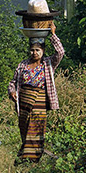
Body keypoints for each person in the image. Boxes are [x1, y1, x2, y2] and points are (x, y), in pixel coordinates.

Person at [8, 22, 64, 163]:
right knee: (25, 129)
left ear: (43, 51)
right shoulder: (23, 65)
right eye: (32, 50)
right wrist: (12, 91)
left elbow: (60, 52)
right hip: (24, 102)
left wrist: (53, 34)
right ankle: (25, 158)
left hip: (39, 102)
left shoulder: (48, 63)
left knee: (36, 129)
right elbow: (13, 82)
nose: (34, 53)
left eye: (37, 50)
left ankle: (33, 159)